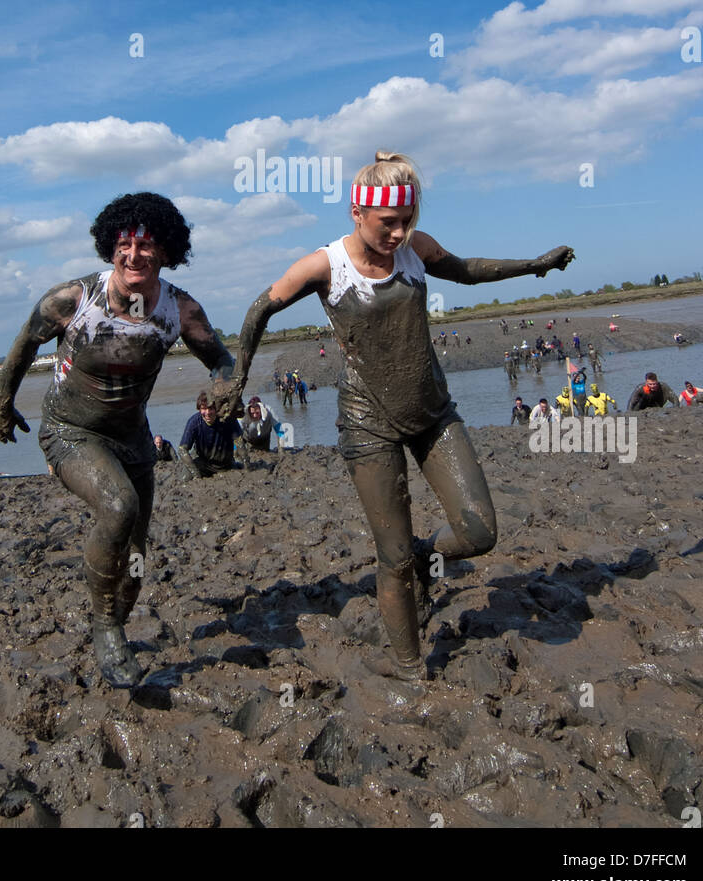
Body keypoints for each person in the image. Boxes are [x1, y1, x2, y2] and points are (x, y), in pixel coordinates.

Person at [216, 150, 575, 681]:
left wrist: (533, 266)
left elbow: (468, 271)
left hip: (433, 413)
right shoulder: (324, 266)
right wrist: (235, 379)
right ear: (356, 213)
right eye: (388, 222)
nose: (399, 233)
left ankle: (428, 558)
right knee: (394, 556)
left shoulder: (416, 250)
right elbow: (260, 308)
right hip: (368, 424)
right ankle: (406, 665)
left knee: (479, 533)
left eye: (407, 220)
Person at [0, 192, 235, 689]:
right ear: (110, 248)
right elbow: (23, 345)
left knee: (137, 563)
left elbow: (222, 360)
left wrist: (224, 387)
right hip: (70, 430)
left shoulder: (180, 310)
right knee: (118, 506)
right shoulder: (72, 300)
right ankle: (105, 626)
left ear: (166, 251)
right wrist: (2, 405)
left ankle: (115, 626)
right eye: (124, 244)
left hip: (133, 439)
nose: (134, 255)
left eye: (146, 246)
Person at [179, 391, 243, 476]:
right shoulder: (194, 422)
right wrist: (196, 474)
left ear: (217, 408)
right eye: (204, 409)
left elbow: (239, 441)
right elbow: (182, 449)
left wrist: (246, 463)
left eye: (210, 408)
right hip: (203, 463)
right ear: (199, 409)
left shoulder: (228, 419)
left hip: (226, 464)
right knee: (184, 478)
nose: (208, 413)